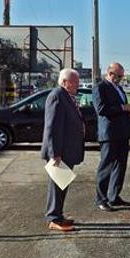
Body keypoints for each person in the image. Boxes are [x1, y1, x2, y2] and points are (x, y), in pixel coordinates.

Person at [41, 68, 85, 232]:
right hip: (59, 152)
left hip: (67, 150)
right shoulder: (57, 96)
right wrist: (55, 154)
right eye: (75, 81)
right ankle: (53, 218)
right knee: (56, 186)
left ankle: (58, 215)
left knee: (62, 185)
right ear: (64, 82)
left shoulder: (66, 96)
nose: (77, 85)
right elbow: (52, 128)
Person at [93, 62, 130, 211]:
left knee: (120, 166)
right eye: (118, 76)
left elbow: (121, 107)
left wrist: (129, 111)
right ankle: (101, 198)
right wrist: (123, 108)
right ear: (110, 73)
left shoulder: (119, 88)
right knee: (106, 167)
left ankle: (114, 196)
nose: (120, 79)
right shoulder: (100, 87)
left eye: (122, 76)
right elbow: (101, 109)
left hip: (122, 133)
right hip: (109, 133)